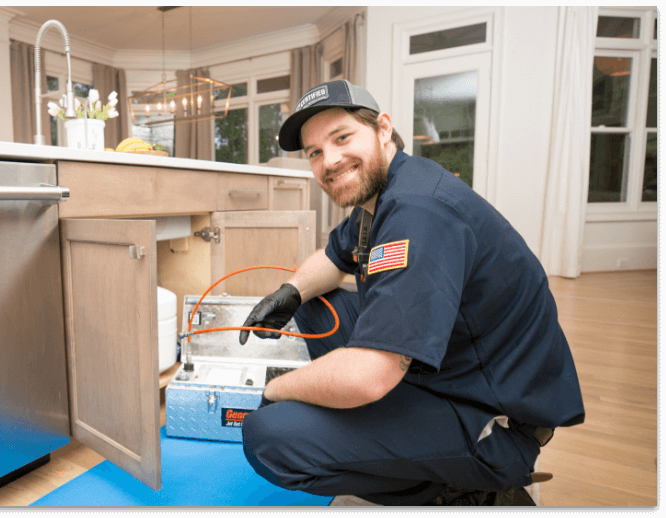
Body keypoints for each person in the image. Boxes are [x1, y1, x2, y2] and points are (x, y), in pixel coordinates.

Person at [239, 80, 585, 506]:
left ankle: (462, 490)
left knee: (269, 437)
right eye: (314, 152)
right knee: (316, 305)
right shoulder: (385, 191)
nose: (329, 160)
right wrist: (290, 292)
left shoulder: (417, 211)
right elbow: (334, 257)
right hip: (452, 370)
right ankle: (420, 451)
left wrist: (278, 387)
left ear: (383, 128)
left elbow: (370, 376)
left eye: (342, 137)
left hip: (495, 420)